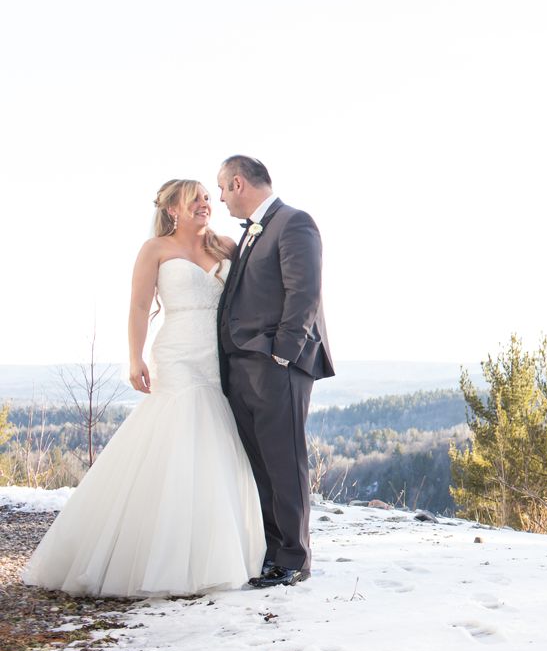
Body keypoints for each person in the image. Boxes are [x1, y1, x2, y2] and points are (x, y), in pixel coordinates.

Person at [21, 179, 264, 597]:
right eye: (196, 200)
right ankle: (162, 556)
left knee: (215, 446)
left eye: (208, 198)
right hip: (177, 355)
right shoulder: (155, 249)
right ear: (172, 209)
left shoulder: (225, 245)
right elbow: (137, 305)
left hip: (220, 358)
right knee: (180, 437)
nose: (206, 204)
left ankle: (217, 548)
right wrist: (135, 359)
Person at [216, 155, 334, 585]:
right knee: (261, 465)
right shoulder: (248, 234)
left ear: (239, 182)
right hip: (243, 366)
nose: (220, 198)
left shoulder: (294, 222)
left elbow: (304, 292)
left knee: (285, 462)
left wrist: (282, 353)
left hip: (276, 366)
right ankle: (271, 552)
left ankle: (293, 559)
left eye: (222, 188)